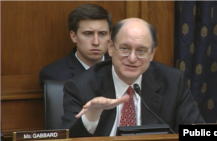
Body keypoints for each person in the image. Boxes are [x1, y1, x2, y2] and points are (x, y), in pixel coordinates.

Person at [61, 18, 205, 137]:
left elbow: (198, 132)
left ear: (152, 53)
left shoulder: (173, 82)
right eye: (125, 49)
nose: (132, 58)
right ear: (110, 48)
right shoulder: (81, 86)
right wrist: (91, 116)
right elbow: (67, 139)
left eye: (141, 51)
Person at [39, 4, 112, 88]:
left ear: (110, 36)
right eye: (88, 33)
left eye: (102, 34)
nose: (96, 42)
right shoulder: (54, 74)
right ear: (73, 36)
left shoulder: (121, 66)